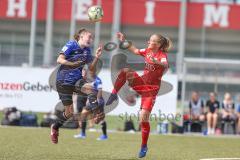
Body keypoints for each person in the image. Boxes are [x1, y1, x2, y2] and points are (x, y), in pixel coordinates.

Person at [106, 32, 172, 158]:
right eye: (149, 39)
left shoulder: (161, 55)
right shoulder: (147, 51)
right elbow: (135, 50)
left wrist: (156, 61)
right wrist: (124, 40)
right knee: (125, 71)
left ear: (158, 44)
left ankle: (143, 146)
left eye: (151, 40)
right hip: (141, 84)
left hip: (151, 91)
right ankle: (114, 94)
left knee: (143, 119)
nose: (148, 41)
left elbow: (165, 64)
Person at [50, 28, 103, 144]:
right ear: (81, 37)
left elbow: (91, 69)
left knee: (91, 89)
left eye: (92, 38)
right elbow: (59, 59)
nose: (91, 39)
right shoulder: (71, 45)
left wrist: (97, 57)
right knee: (69, 113)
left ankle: (96, 114)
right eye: (89, 37)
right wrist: (72, 64)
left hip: (77, 80)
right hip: (63, 81)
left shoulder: (87, 50)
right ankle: (55, 126)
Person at [74, 69, 108, 140]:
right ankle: (83, 134)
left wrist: (98, 100)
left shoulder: (98, 80)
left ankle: (104, 136)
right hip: (94, 101)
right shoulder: (93, 80)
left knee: (99, 117)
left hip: (98, 102)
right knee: (84, 113)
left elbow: (100, 90)